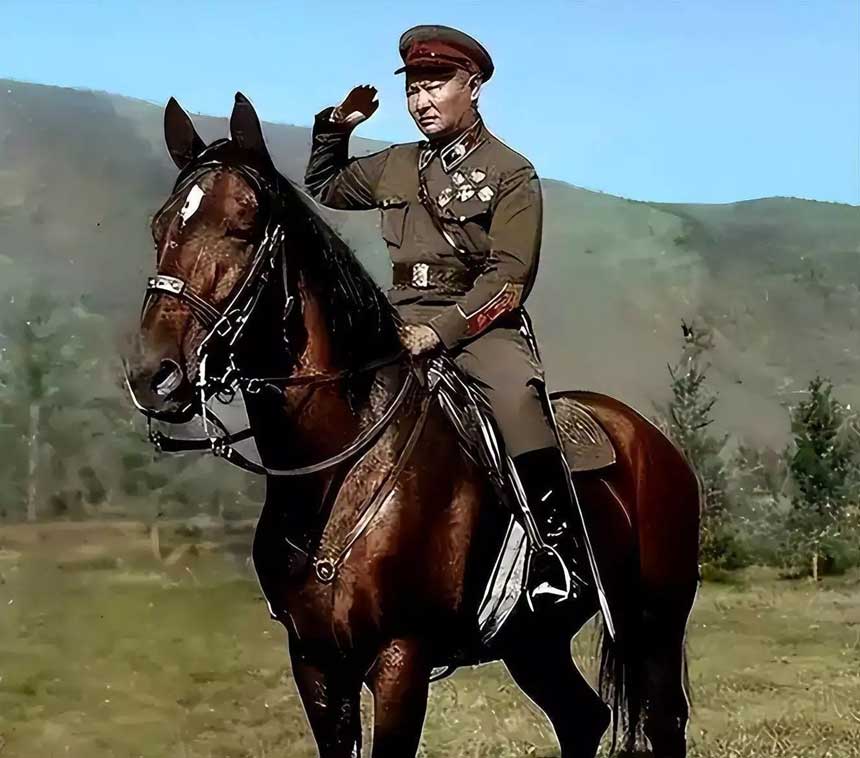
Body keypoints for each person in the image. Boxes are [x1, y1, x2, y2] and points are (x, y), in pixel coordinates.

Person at [304, 24, 592, 609]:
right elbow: (325, 186)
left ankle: (555, 550)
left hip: (475, 323)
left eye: (435, 86)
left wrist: (438, 332)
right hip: (393, 315)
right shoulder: (395, 164)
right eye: (413, 89)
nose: (421, 102)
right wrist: (337, 126)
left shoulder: (511, 172)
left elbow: (510, 278)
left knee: (516, 396)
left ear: (474, 86)